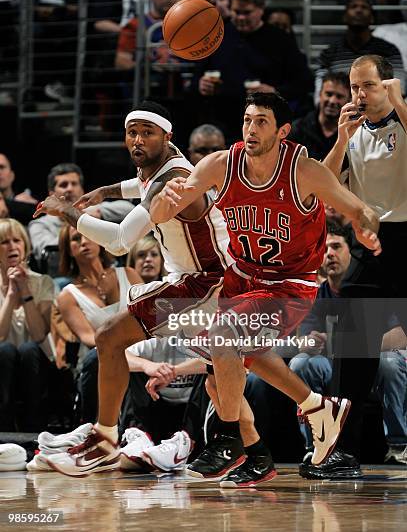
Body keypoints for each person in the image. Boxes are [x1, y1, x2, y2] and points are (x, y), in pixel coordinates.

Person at [33, 99, 352, 485]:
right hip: (204, 278)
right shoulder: (162, 168)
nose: (137, 140)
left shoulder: (175, 179)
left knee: (111, 336)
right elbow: (141, 183)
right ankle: (288, 431)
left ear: (167, 137)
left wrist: (66, 211)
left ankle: (105, 437)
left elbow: (119, 241)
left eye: (147, 133)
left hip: (204, 280)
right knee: (224, 379)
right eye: (132, 132)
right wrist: (105, 191)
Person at [150, 91, 381, 485]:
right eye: (246, 120)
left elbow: (359, 208)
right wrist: (162, 200)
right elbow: (160, 214)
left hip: (288, 285)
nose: (251, 129)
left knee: (226, 340)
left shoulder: (303, 170)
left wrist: (365, 224)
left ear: (283, 131)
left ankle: (226, 442)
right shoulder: (221, 164)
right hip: (239, 279)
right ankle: (301, 419)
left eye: (261, 122)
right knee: (220, 373)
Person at [307, 54, 407, 478]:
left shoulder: (403, 118)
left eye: (367, 85)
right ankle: (341, 451)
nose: (359, 95)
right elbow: (324, 189)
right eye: (354, 87)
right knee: (351, 354)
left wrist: (401, 101)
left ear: (388, 85)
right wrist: (341, 139)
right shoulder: (353, 133)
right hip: (372, 243)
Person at [289, 221, 407, 471]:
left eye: (336, 247)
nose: (330, 254)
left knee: (388, 361)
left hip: (374, 359)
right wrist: (309, 342)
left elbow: (400, 336)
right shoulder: (318, 292)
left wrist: (337, 341)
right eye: (326, 249)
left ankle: (399, 444)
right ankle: (321, 447)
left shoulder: (380, 276)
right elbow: (302, 337)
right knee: (301, 362)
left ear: (349, 249)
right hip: (331, 363)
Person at [195, 0, 313, 131]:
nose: (241, 17)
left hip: (265, 122)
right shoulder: (217, 34)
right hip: (222, 119)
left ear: (261, 10)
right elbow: (197, 75)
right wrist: (201, 84)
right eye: (236, 12)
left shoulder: (280, 39)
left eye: (247, 12)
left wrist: (274, 91)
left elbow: (304, 81)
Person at [56, 224, 141, 422]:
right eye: (76, 239)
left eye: (88, 235)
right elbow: (89, 338)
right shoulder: (67, 295)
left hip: (142, 349)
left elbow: (151, 318)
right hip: (101, 360)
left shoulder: (129, 274)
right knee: (98, 356)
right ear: (68, 249)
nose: (84, 242)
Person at [0, 218, 55, 431]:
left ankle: (34, 423)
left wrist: (25, 291)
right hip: (2, 363)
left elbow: (40, 335)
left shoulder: (43, 282)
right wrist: (12, 294)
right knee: (4, 350)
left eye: (17, 240)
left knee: (29, 348)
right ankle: (3, 425)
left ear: (25, 245)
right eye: (4, 242)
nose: (12, 246)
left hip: (37, 364)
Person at [28, 163, 134, 265]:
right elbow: (46, 251)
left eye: (74, 184)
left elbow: (130, 209)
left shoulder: (92, 210)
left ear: (82, 190)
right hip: (62, 276)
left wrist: (99, 213)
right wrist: (72, 218)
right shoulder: (39, 224)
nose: (69, 189)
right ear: (51, 195)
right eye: (63, 185)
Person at [314, 0, 405, 102]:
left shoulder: (389, 51)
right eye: (353, 7)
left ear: (372, 18)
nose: (358, 10)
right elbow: (320, 95)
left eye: (364, 7)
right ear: (345, 17)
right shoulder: (329, 53)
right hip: (340, 112)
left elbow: (399, 89)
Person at [289, 72, 351, 161]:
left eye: (339, 96)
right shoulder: (297, 129)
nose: (332, 101)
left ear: (349, 101)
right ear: (320, 94)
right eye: (329, 94)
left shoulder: (354, 134)